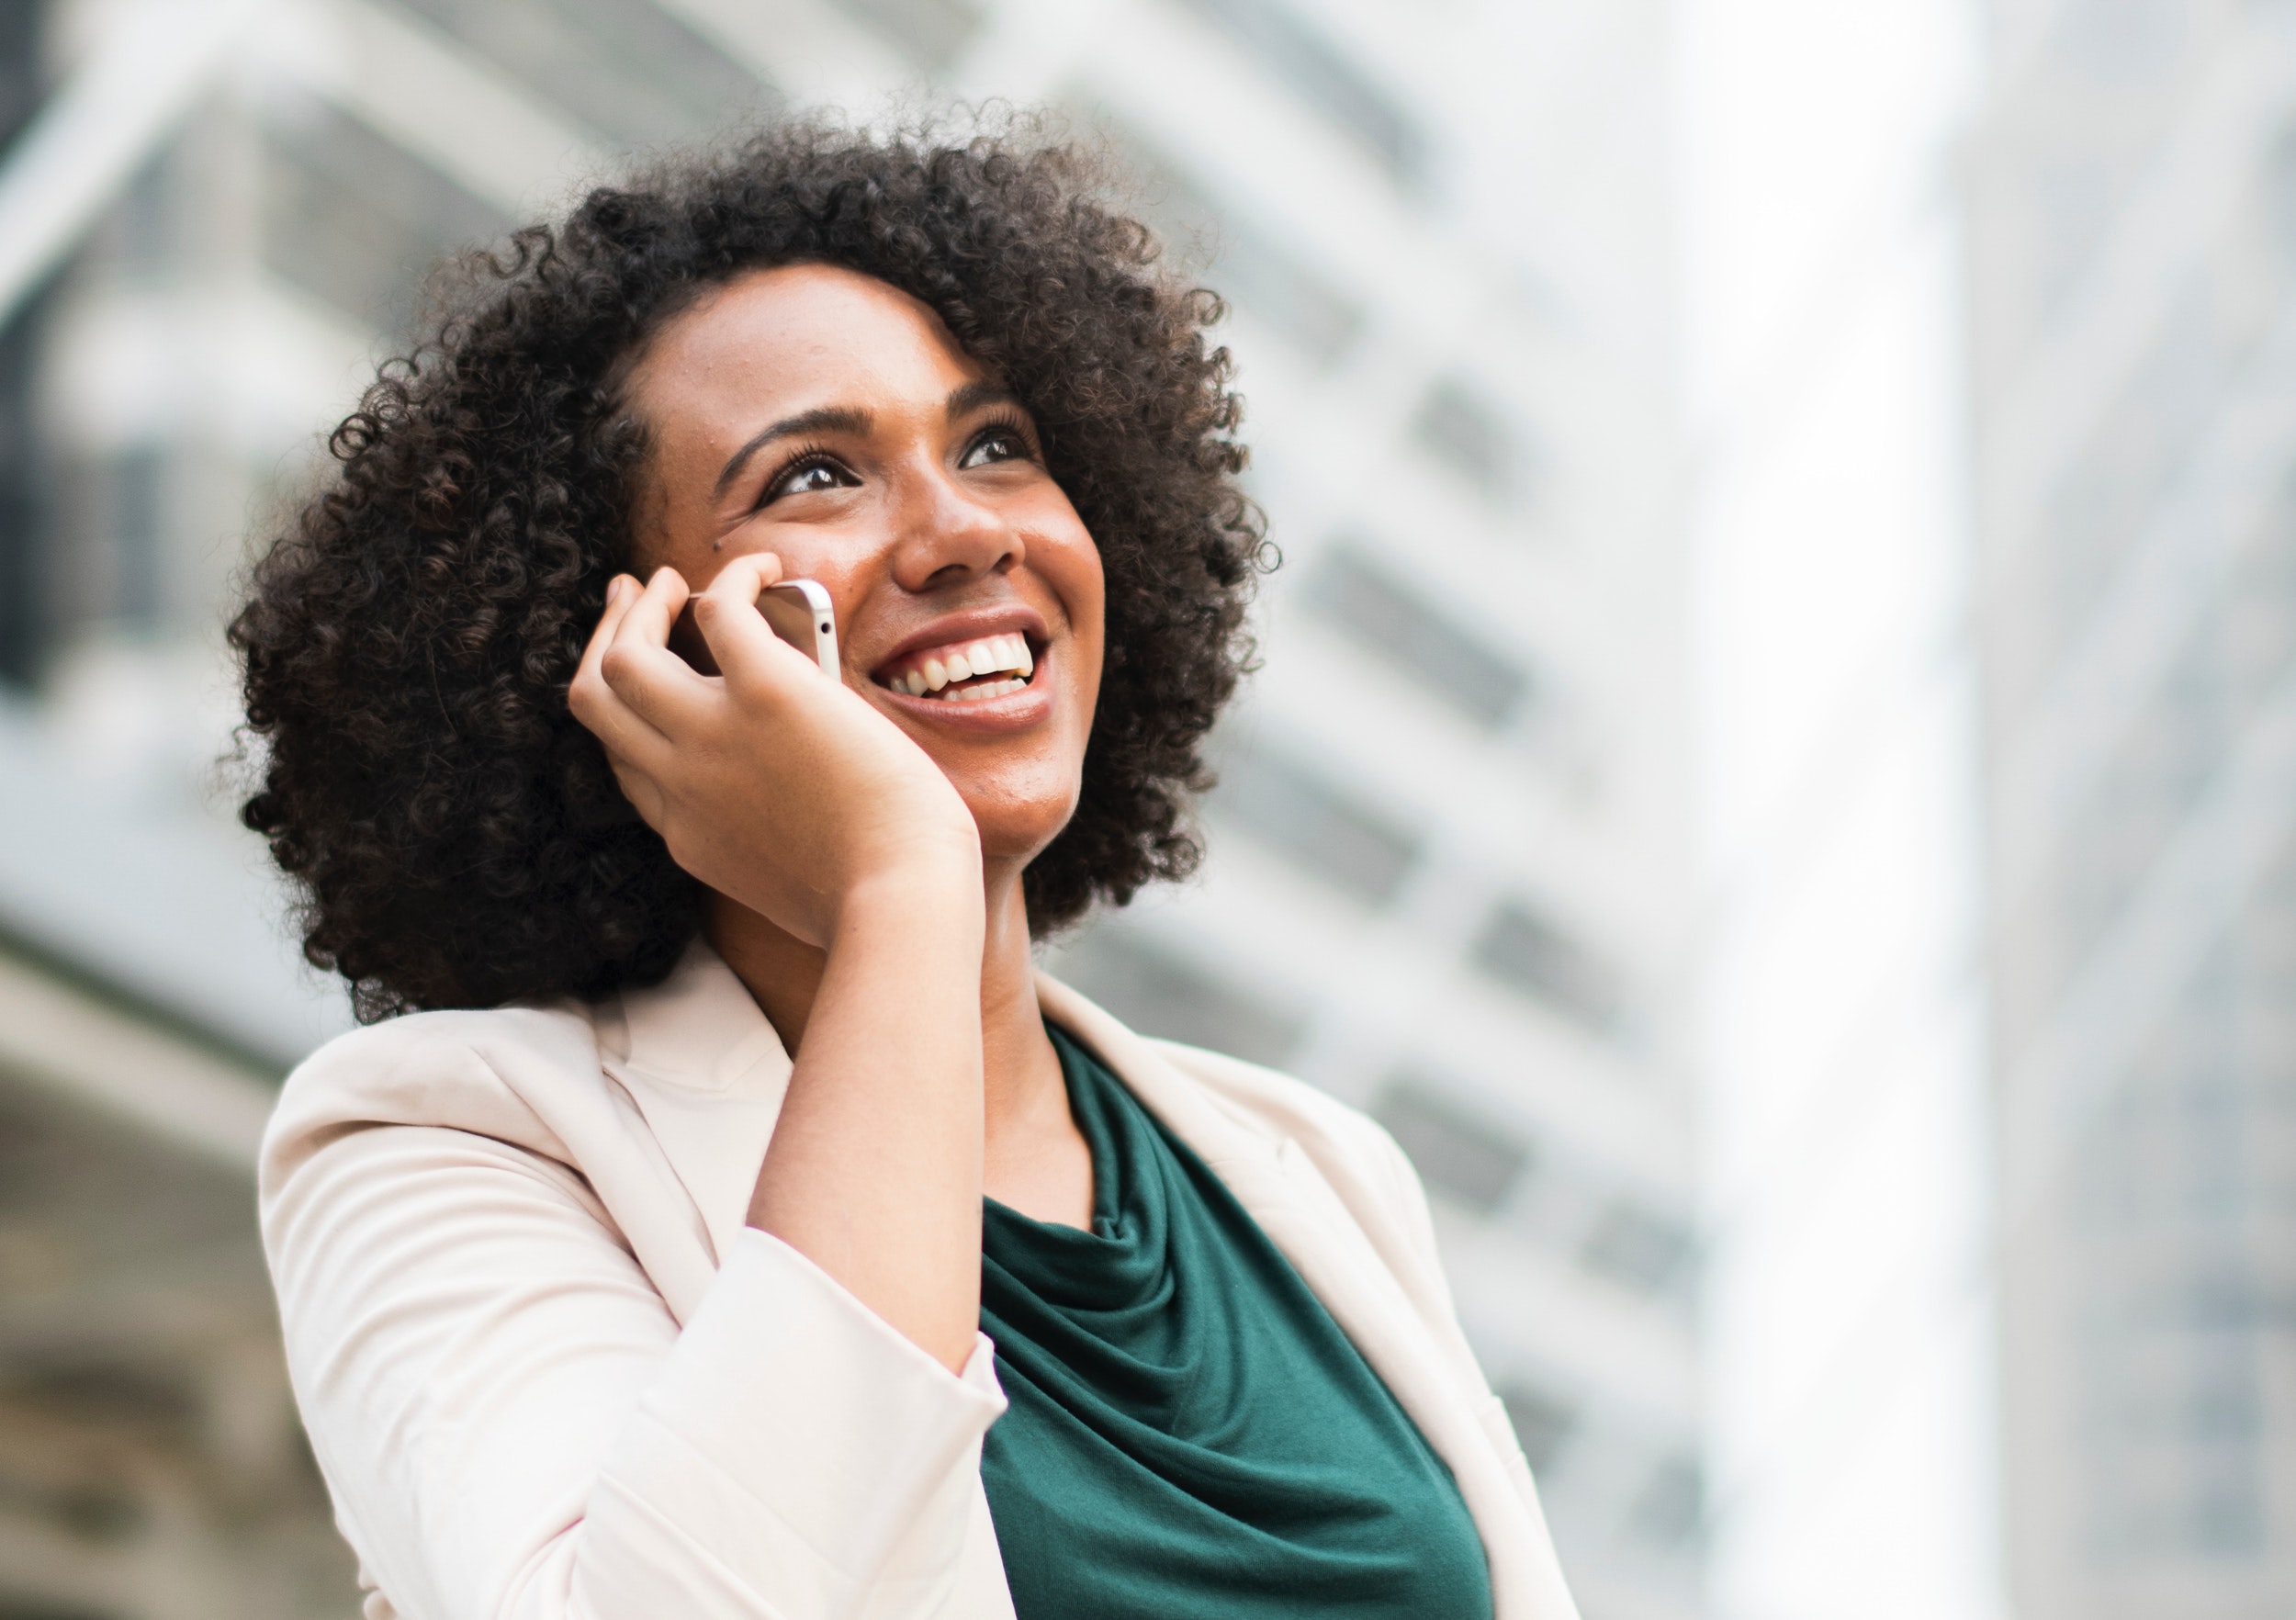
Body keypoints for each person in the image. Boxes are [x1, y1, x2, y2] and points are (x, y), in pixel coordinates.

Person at [235, 120, 1581, 1620]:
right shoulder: (449, 1148)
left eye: (998, 445)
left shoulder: (1313, 1167)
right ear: (626, 649)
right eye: (817, 476)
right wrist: (897, 886)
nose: (963, 533)